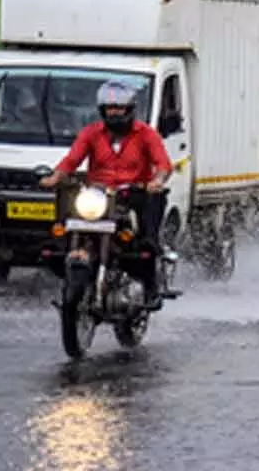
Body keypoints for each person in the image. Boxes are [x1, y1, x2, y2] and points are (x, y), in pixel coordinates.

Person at [40, 80, 173, 309]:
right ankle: (70, 268)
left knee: (145, 239)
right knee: (66, 213)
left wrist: (157, 180)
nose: (114, 113)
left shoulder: (146, 134)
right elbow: (72, 159)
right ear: (102, 110)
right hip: (98, 195)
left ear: (130, 109)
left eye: (119, 108)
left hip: (132, 193)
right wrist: (55, 177)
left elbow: (163, 164)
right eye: (110, 108)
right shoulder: (91, 133)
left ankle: (151, 284)